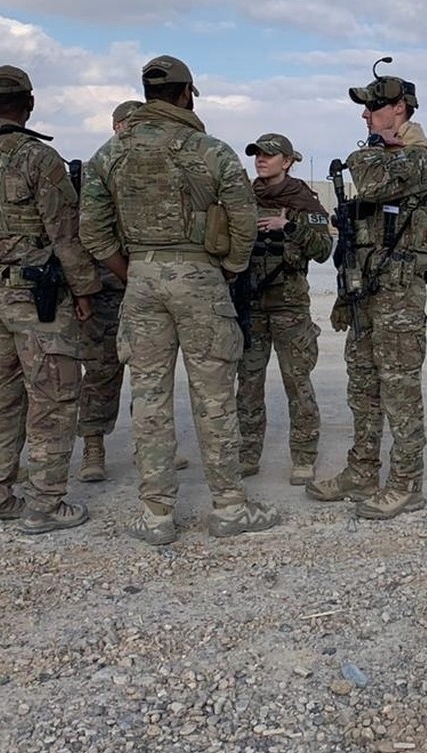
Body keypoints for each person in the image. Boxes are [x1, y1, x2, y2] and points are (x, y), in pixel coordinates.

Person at [79, 54, 279, 544]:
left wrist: (132, 271)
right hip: (201, 278)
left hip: (143, 280)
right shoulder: (210, 150)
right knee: (213, 397)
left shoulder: (111, 153)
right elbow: (243, 220)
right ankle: (230, 506)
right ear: (188, 93)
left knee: (148, 397)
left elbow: (92, 229)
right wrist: (228, 269)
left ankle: (156, 514)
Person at [0, 65, 101, 533]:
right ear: (29, 105)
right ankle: (45, 505)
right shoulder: (38, 158)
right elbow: (66, 234)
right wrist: (85, 290)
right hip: (36, 298)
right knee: (53, 397)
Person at [306, 64, 427, 520]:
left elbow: (368, 177)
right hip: (367, 292)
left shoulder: (421, 159)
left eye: (373, 106)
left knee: (399, 390)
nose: (365, 115)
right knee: (363, 388)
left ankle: (406, 482)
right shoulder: (391, 154)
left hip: (399, 296)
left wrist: (370, 153)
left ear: (399, 108)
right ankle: (362, 470)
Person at [77, 99, 188, 481]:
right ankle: (94, 448)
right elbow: (86, 234)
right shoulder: (103, 168)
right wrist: (87, 289)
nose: (128, 131)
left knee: (150, 377)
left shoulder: (160, 171)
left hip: (147, 287)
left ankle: (152, 451)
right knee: (101, 372)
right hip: (109, 287)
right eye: (123, 125)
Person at [237, 133, 332, 485]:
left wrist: (288, 225)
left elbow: (323, 249)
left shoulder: (303, 200)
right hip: (250, 305)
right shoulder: (242, 197)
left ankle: (304, 457)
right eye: (257, 154)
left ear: (287, 161)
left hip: (289, 306)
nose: (261, 160)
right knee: (247, 383)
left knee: (297, 382)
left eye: (269, 155)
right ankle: (247, 454)